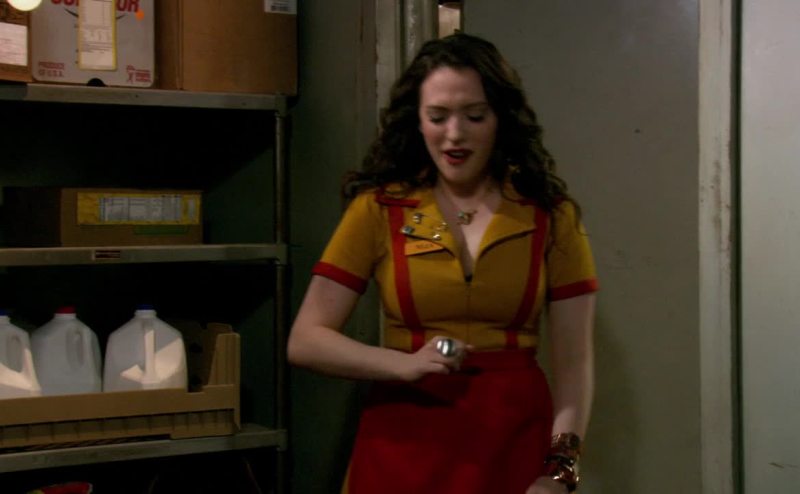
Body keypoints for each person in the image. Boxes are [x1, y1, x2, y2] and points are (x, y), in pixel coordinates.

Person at [288, 32, 598, 494]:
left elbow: (575, 365)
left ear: (500, 118)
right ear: (417, 121)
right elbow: (306, 341)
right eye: (438, 117)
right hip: (402, 444)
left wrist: (560, 471)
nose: (455, 134)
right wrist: (401, 365)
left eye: (474, 116)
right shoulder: (379, 209)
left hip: (511, 440)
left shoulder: (551, 216)